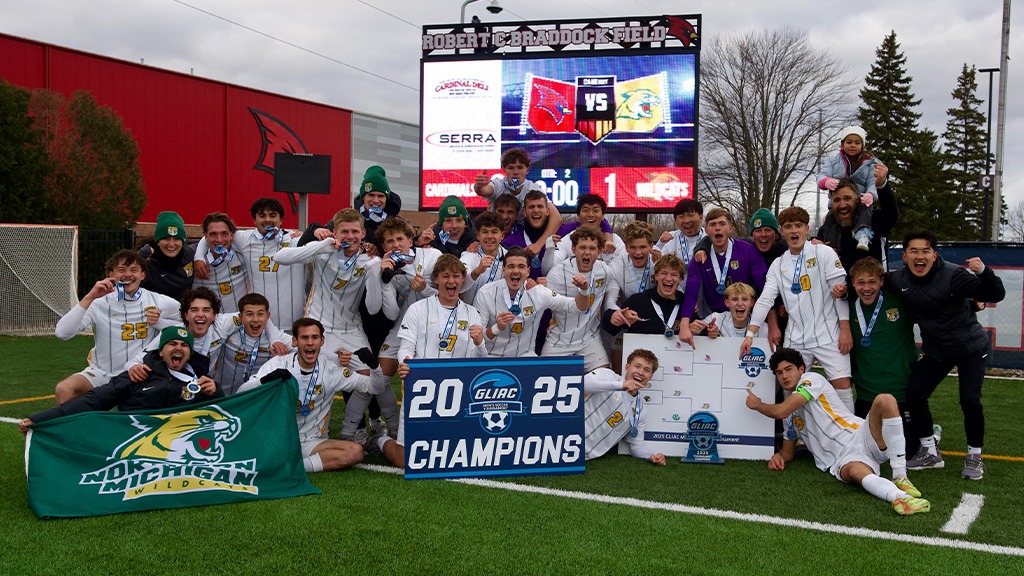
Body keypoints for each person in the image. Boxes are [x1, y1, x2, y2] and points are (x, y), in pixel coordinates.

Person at [745, 348, 930, 516]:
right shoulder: (790, 416)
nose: (784, 376)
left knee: (885, 400)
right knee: (857, 473)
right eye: (779, 373)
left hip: (860, 435)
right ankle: (901, 497)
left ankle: (900, 476)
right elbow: (787, 451)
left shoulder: (810, 380)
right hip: (841, 460)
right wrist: (779, 457)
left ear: (801, 369)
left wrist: (757, 405)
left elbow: (780, 411)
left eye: (788, 369)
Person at [888, 230, 1005, 479]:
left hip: (969, 348)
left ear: (934, 254)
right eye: (914, 251)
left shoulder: (954, 275)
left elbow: (996, 294)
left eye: (926, 250)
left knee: (969, 399)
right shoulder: (898, 278)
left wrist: (984, 272)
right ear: (905, 256)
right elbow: (869, 280)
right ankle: (929, 451)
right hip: (937, 349)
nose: (920, 256)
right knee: (914, 392)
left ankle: (974, 456)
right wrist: (842, 288)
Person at [371, 255, 486, 468]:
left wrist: (480, 343)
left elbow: (480, 362)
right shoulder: (418, 309)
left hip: (457, 394)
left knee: (456, 457)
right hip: (423, 391)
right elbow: (406, 348)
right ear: (436, 280)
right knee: (406, 461)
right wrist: (405, 363)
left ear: (463, 280)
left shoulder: (472, 314)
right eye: (445, 276)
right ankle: (380, 440)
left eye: (456, 276)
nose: (451, 281)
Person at [238, 318, 392, 473]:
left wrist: (374, 366)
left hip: (312, 442)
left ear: (322, 341)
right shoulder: (277, 364)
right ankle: (282, 461)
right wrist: (264, 381)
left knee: (355, 452)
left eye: (315, 337)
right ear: (294, 341)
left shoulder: (331, 370)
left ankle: (291, 468)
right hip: (278, 439)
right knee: (243, 447)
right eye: (304, 338)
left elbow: (375, 387)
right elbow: (242, 393)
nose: (310, 343)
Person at [740, 206, 855, 412]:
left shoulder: (824, 253)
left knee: (842, 388)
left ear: (807, 229)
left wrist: (845, 329)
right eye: (788, 227)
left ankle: (848, 432)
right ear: (782, 231)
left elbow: (840, 294)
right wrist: (750, 334)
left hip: (828, 334)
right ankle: (795, 432)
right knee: (790, 390)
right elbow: (765, 300)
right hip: (796, 338)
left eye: (799, 226)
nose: (794, 231)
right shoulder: (778, 264)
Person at [21, 326, 222, 432]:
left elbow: (222, 414)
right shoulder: (139, 374)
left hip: (175, 440)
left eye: (184, 345)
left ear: (189, 354)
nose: (178, 348)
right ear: (161, 351)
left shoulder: (198, 382)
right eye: (172, 344)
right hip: (132, 436)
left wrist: (216, 392)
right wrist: (40, 418)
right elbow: (95, 400)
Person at [53, 250, 181, 404]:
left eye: (134, 270)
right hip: (102, 373)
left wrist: (160, 323)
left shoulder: (160, 301)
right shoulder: (98, 303)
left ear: (142, 275)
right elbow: (62, 332)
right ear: (111, 274)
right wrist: (90, 296)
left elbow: (185, 325)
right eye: (121, 270)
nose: (128, 275)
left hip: (138, 374)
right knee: (64, 389)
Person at [193, 198, 306, 330]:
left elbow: (318, 241)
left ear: (281, 220)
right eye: (262, 215)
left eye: (272, 215)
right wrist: (199, 257)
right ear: (254, 220)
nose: (267, 219)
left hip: (293, 319)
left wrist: (312, 231)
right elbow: (213, 235)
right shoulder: (244, 239)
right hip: (257, 320)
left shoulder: (296, 240)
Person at [475, 247, 589, 358]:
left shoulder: (539, 293)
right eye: (511, 266)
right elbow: (478, 337)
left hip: (525, 357)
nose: (516, 271)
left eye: (521, 266)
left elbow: (578, 307)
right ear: (503, 270)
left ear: (528, 271)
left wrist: (584, 290)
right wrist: (497, 328)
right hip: (491, 356)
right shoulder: (485, 293)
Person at [677, 208, 767, 347]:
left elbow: (764, 288)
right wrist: (684, 324)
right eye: (713, 225)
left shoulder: (748, 250)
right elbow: (691, 292)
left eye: (722, 224)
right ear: (706, 230)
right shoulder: (699, 259)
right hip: (714, 319)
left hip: (746, 316)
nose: (717, 228)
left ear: (730, 228)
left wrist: (771, 322)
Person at [543, 226, 616, 371]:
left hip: (589, 339)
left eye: (592, 248)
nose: (587, 252)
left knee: (605, 378)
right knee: (543, 378)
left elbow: (612, 294)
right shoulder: (557, 273)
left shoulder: (604, 271)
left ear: (599, 251)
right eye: (582, 247)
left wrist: (616, 309)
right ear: (573, 249)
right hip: (559, 340)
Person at [583, 349, 667, 465]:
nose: (641, 372)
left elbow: (636, 447)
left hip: (585, 457)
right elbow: (582, 384)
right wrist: (621, 385)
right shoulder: (608, 376)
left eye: (646, 370)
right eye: (637, 366)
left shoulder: (640, 410)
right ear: (627, 367)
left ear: (650, 377)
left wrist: (650, 456)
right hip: (562, 435)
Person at [473, 147, 562, 257]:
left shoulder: (532, 189)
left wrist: (538, 245)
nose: (515, 172)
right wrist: (478, 185)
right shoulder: (498, 185)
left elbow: (557, 218)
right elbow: (484, 190)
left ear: (527, 170)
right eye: (511, 168)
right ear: (504, 169)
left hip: (520, 235)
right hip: (494, 234)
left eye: (520, 167)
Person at [124, 287, 222, 380]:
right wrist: (133, 366)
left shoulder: (221, 328)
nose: (200, 314)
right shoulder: (173, 332)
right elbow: (134, 362)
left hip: (205, 385)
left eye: (206, 310)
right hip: (171, 384)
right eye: (194, 310)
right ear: (186, 315)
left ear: (214, 315)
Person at [208, 293, 292, 395]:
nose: (255, 319)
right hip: (223, 396)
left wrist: (280, 349)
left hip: (256, 398)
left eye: (260, 314)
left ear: (268, 316)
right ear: (240, 316)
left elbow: (303, 345)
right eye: (249, 314)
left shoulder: (277, 339)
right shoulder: (229, 331)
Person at [816, 171, 899, 272]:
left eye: (847, 198)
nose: (842, 205)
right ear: (831, 203)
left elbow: (891, 213)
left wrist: (882, 185)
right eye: (837, 200)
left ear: (857, 199)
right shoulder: (826, 229)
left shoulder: (873, 220)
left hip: (870, 281)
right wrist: (814, 244)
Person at [817, 126, 879, 251]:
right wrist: (826, 181)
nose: (853, 146)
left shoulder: (869, 163)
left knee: (865, 213)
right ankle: (831, 246)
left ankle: (863, 235)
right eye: (849, 142)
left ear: (862, 146)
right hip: (837, 198)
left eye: (857, 143)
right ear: (842, 145)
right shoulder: (833, 160)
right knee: (830, 220)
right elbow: (821, 176)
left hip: (860, 200)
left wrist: (871, 195)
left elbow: (872, 182)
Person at [602, 254, 685, 339]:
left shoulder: (686, 303)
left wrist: (692, 327)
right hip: (641, 348)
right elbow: (610, 328)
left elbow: (694, 329)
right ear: (656, 276)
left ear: (680, 279)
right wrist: (612, 316)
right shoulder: (638, 301)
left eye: (674, 275)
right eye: (664, 273)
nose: (668, 278)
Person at [191, 212, 249, 313]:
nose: (219, 239)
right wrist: (198, 257)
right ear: (206, 236)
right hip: (205, 320)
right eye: (213, 234)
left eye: (224, 234)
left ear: (231, 235)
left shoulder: (244, 255)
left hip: (236, 319)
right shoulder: (192, 259)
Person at [138, 210, 195, 301]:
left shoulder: (190, 254)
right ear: (158, 241)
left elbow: (208, 240)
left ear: (182, 242)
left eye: (176, 239)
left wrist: (200, 258)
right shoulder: (147, 262)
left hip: (184, 309)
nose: (171, 244)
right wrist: (136, 258)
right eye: (166, 238)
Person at [504, 190, 556, 280]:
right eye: (531, 207)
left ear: (547, 211)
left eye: (540, 206)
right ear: (524, 212)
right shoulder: (510, 241)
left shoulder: (562, 232)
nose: (536, 210)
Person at [460, 211, 508, 304]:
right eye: (485, 232)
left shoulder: (509, 258)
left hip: (499, 311)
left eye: (494, 232)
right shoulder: (468, 256)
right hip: (471, 311)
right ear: (478, 235)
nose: (489, 236)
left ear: (502, 235)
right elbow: (459, 287)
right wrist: (477, 272)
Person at [553, 193, 618, 256]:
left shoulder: (615, 241)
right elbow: (555, 260)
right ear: (578, 216)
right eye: (585, 210)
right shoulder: (566, 238)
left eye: (595, 211)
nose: (590, 215)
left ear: (603, 215)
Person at [692, 282, 762, 339]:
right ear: (727, 302)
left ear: (752, 303)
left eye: (745, 299)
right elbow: (693, 331)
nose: (740, 303)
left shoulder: (761, 327)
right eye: (735, 299)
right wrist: (701, 330)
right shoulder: (716, 319)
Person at [652, 198, 705, 269]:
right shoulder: (671, 238)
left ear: (701, 217)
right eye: (681, 217)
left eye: (690, 215)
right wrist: (660, 244)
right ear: (675, 221)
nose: (686, 220)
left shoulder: (710, 237)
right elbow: (657, 263)